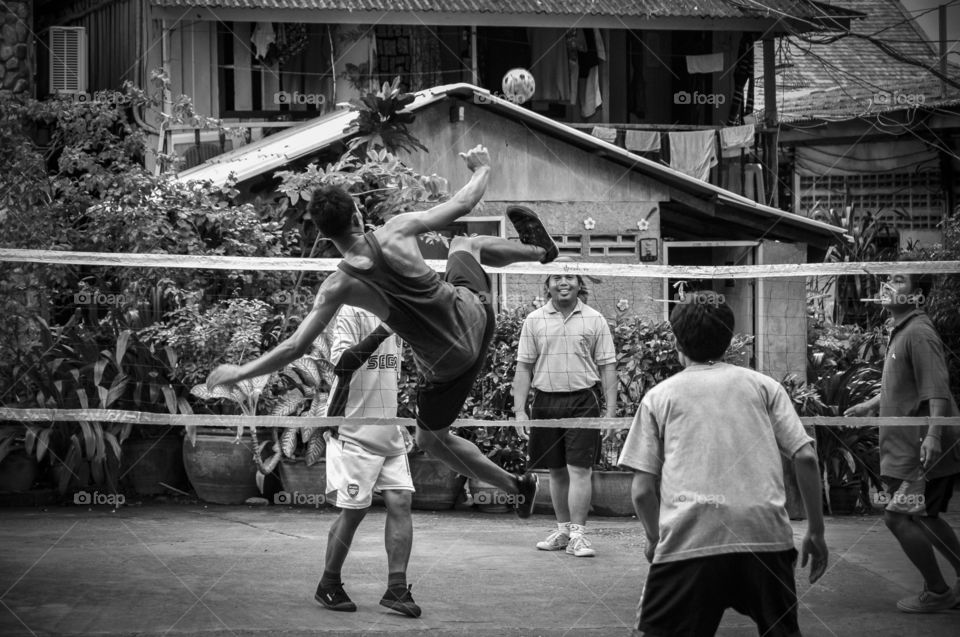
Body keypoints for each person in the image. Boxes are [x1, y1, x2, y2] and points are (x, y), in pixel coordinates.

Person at [208, 144, 554, 518]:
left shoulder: (337, 286)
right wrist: (482, 168)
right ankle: (538, 251)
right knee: (465, 243)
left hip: (448, 365)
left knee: (431, 440)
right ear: (358, 213)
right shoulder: (397, 229)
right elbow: (464, 202)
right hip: (477, 317)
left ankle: (513, 486)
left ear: (325, 236)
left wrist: (239, 373)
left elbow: (294, 346)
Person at [619, 291, 828, 636]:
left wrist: (656, 540)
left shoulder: (660, 396)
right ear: (730, 340)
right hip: (765, 538)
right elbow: (805, 456)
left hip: (690, 540)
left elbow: (642, 492)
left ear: (675, 342)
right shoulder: (764, 386)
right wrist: (816, 532)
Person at [845, 264, 960, 613]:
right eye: (888, 277)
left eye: (898, 280)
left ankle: (938, 592)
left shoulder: (919, 333)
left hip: (922, 448)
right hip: (910, 449)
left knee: (898, 517)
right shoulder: (902, 331)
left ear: (917, 296)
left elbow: (937, 390)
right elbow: (905, 385)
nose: (887, 284)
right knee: (927, 518)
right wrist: (870, 404)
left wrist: (934, 437)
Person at [314, 305, 420, 617]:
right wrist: (385, 328)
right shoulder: (352, 309)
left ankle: (396, 588)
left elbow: (388, 378)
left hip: (387, 429)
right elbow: (343, 364)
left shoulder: (399, 306)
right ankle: (329, 582)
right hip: (352, 428)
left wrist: (399, 424)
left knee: (401, 501)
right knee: (354, 512)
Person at [512, 264, 617, 557]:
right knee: (556, 471)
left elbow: (608, 366)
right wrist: (520, 411)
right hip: (545, 402)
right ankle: (563, 531)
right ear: (547, 284)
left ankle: (579, 537)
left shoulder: (595, 319)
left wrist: (611, 412)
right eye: (557, 277)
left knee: (580, 469)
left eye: (569, 277)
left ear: (578, 282)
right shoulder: (534, 320)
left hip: (584, 401)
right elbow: (524, 367)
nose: (563, 282)